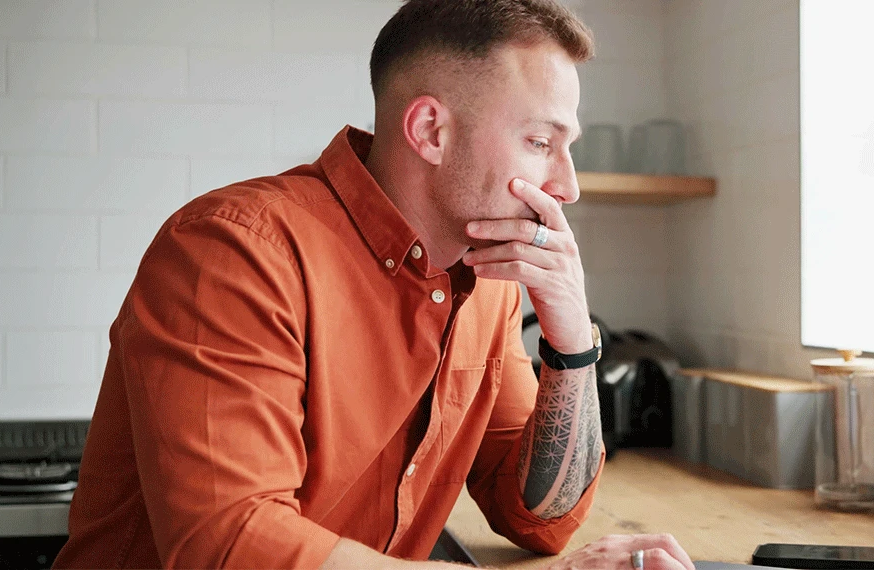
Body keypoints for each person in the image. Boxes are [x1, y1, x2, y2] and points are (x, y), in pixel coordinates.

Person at [52, 1, 695, 568]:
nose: (568, 186)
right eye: (538, 142)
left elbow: (540, 522)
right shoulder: (231, 252)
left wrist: (572, 342)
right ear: (429, 132)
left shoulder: (488, 279)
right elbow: (228, 547)